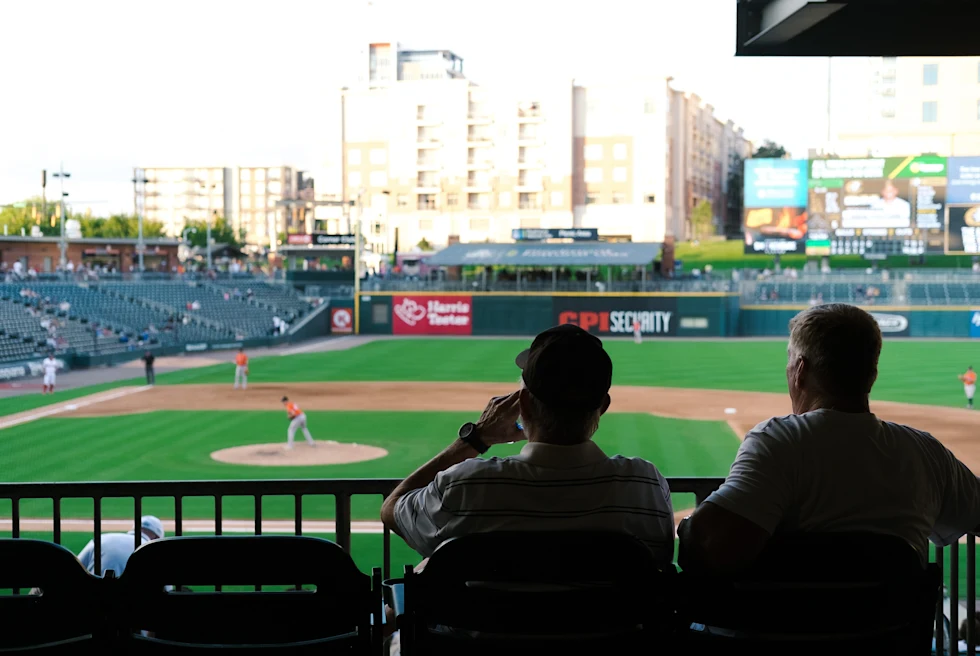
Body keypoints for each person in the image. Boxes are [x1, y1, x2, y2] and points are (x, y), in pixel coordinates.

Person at [678, 304, 980, 574]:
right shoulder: (926, 453)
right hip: (891, 635)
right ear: (872, 374)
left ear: (799, 371)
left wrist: (686, 528)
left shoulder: (779, 441)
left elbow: (706, 546)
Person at [380, 324, 675, 564]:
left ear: (523, 405)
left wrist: (475, 438)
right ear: (603, 406)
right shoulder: (646, 486)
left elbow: (392, 509)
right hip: (616, 638)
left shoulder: (466, 485)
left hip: (483, 638)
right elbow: (660, 566)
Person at [77, 516, 165, 577]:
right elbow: (165, 589)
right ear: (157, 537)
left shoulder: (101, 539)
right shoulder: (152, 551)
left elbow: (76, 568)